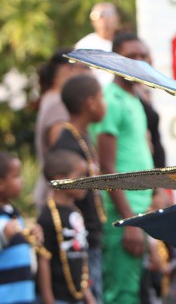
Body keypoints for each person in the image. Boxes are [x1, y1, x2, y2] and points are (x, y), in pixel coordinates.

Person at [91, 32, 154, 304]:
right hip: (122, 213)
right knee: (120, 294)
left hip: (139, 209)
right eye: (131, 57)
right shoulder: (110, 101)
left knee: (134, 288)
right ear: (115, 60)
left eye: (142, 56)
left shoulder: (134, 97)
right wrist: (129, 221)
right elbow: (106, 168)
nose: (138, 62)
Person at [53, 74, 106, 304]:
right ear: (90, 103)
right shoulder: (67, 143)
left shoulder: (83, 136)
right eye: (101, 98)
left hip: (92, 235)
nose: (104, 104)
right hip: (80, 239)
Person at [37, 150, 95, 304]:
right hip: (58, 297)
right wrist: (48, 300)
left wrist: (89, 297)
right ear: (61, 179)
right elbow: (44, 260)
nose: (85, 181)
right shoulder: (47, 216)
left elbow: (81, 258)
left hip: (79, 296)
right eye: (79, 176)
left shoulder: (76, 212)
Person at [34, 49, 88, 209]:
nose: (88, 74)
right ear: (68, 69)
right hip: (60, 198)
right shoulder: (58, 102)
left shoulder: (51, 98)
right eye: (84, 67)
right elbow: (63, 153)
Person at [0, 152, 43, 304]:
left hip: (24, 296)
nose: (22, 180)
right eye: (16, 176)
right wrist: (3, 234)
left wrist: (31, 235)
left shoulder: (14, 213)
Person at [75, 2, 121, 87]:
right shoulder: (84, 46)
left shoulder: (126, 44)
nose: (103, 18)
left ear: (117, 18)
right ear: (92, 21)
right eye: (97, 15)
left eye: (108, 14)